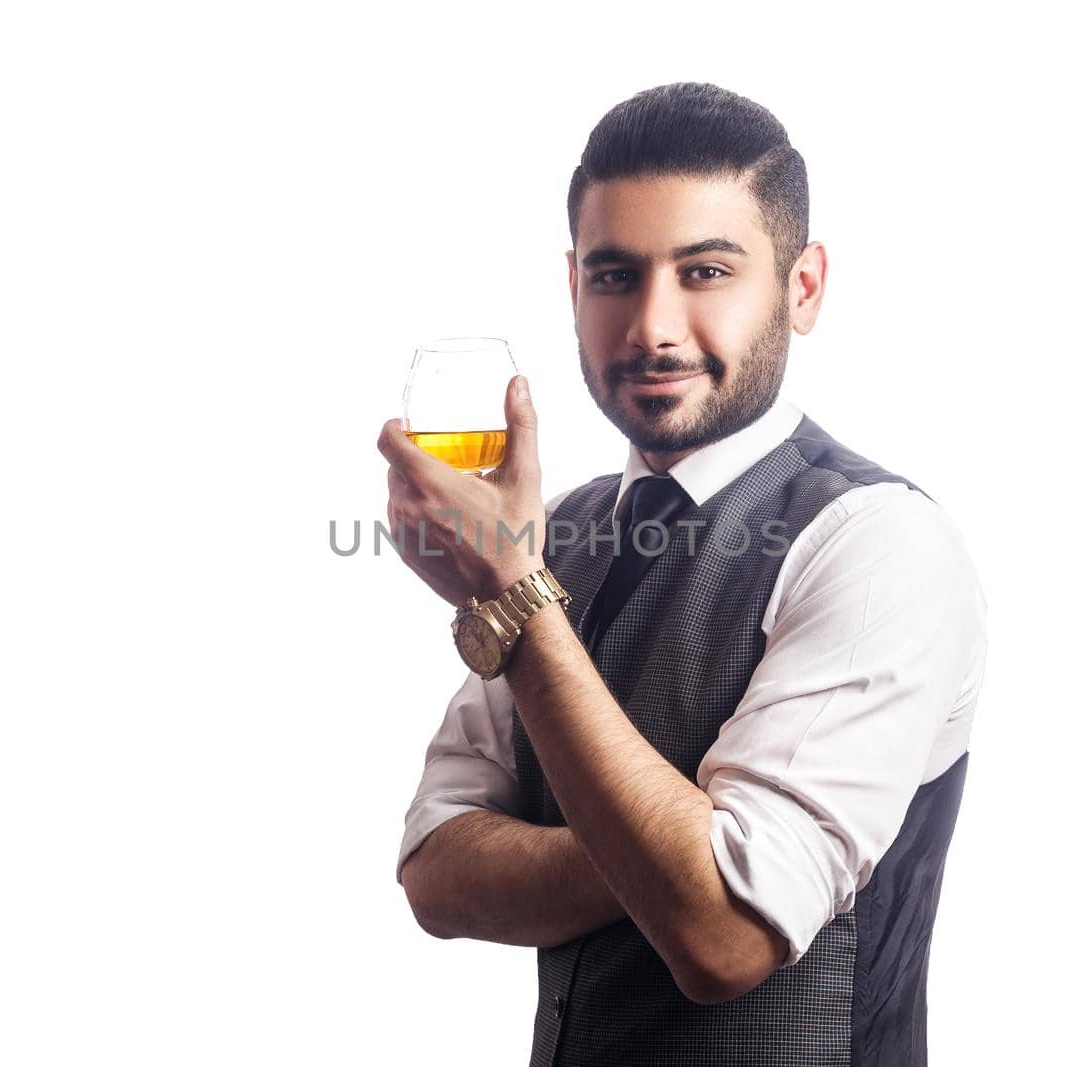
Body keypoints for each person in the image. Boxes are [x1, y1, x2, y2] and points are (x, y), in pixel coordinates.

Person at [377, 82, 987, 1067]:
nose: (653, 325)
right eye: (615, 276)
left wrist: (518, 604)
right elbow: (434, 871)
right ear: (573, 285)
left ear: (802, 287)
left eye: (705, 271)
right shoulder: (559, 529)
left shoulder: (877, 545)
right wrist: (677, 851)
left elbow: (722, 937)